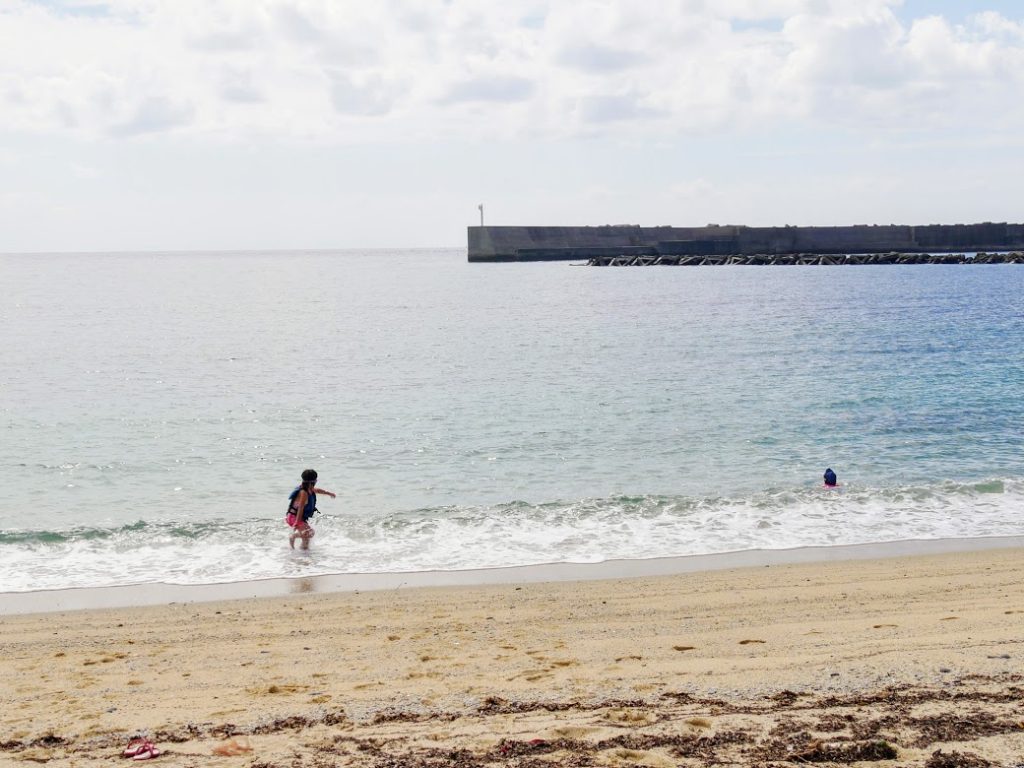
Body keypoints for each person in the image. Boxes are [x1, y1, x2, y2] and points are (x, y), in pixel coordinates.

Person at [286, 469, 336, 550]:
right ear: (314, 481)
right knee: (310, 532)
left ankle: (303, 554)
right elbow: (301, 507)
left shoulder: (309, 489)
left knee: (306, 538)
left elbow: (318, 490)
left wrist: (329, 493)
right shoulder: (303, 492)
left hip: (298, 517)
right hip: (293, 517)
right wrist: (297, 522)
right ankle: (293, 536)